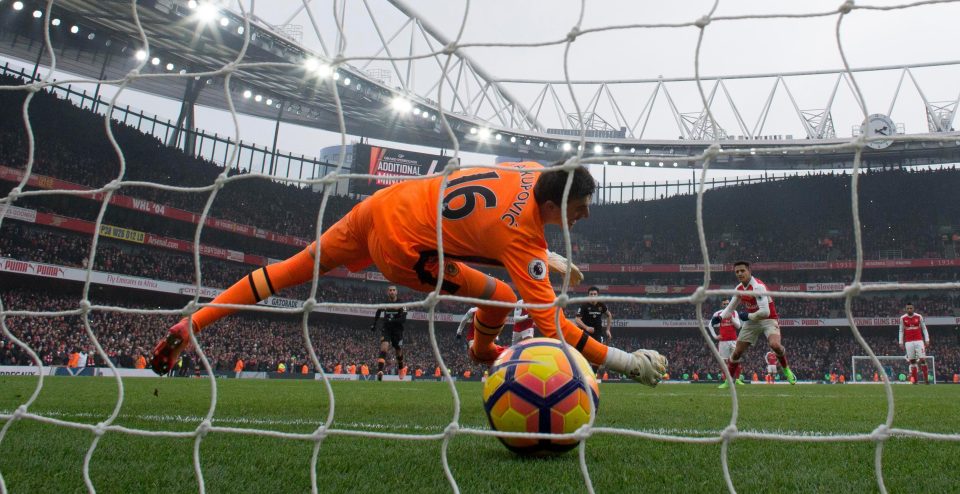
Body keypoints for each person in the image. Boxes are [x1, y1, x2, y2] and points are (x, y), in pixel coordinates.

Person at [151, 161, 666, 386]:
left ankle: (192, 324)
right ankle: (485, 352)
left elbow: (488, 216)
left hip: (385, 204)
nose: (586, 216)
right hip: (406, 247)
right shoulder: (522, 240)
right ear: (554, 202)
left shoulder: (532, 171)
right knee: (510, 297)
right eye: (580, 207)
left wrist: (547, 258)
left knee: (288, 272)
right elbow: (552, 327)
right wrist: (624, 362)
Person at [715, 261, 796, 386]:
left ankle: (786, 369)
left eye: (742, 270)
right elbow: (730, 308)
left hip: (768, 319)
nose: (740, 273)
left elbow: (765, 311)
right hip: (752, 321)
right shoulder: (739, 289)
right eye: (737, 271)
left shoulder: (758, 287)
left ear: (749, 270)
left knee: (775, 345)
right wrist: (719, 318)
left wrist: (747, 316)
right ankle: (729, 381)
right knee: (737, 352)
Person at [370, 285, 407, 381]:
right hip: (386, 329)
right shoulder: (385, 303)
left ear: (396, 292)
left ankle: (401, 367)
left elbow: (403, 319)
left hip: (398, 330)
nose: (392, 292)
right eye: (390, 290)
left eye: (393, 290)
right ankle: (380, 371)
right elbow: (378, 311)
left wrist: (392, 320)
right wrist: (374, 324)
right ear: (388, 292)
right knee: (384, 348)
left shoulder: (402, 303)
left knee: (398, 350)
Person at [575, 286, 613, 373]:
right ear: (588, 295)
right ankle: (581, 372)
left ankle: (593, 374)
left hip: (598, 333)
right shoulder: (584, 306)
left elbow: (609, 315)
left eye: (595, 294)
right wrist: (586, 328)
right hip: (586, 333)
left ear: (598, 295)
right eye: (591, 294)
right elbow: (577, 319)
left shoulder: (601, 305)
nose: (593, 295)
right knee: (584, 353)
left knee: (597, 355)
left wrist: (608, 330)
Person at [707, 299, 742, 388]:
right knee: (724, 362)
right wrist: (715, 336)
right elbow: (710, 325)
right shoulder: (718, 314)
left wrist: (732, 318)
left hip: (734, 340)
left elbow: (738, 326)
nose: (726, 305)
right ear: (721, 305)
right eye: (724, 304)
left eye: (728, 303)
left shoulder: (734, 312)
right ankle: (727, 381)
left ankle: (737, 379)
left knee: (736, 359)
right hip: (723, 342)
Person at [898, 302, 931, 384]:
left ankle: (926, 380)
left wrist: (927, 339)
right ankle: (915, 381)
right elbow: (901, 330)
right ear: (906, 309)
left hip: (919, 341)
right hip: (908, 342)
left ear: (913, 308)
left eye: (911, 308)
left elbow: (924, 328)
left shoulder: (919, 316)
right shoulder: (903, 318)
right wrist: (901, 342)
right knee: (912, 361)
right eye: (908, 308)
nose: (909, 309)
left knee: (922, 360)